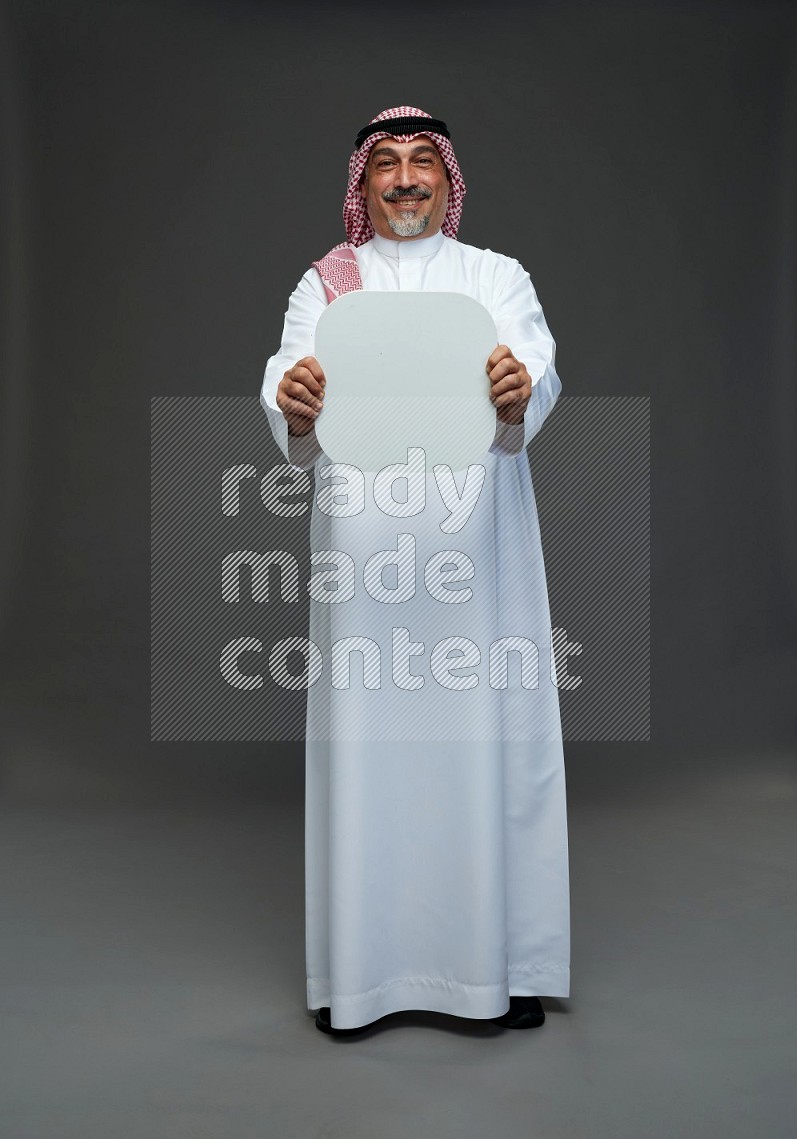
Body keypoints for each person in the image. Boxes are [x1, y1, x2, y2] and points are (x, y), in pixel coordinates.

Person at [260, 106, 570, 1036]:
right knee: (371, 755)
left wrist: (523, 386)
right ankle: (362, 978)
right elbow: (290, 376)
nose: (404, 179)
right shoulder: (329, 283)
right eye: (385, 164)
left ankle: (500, 967)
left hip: (478, 557)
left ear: (449, 179)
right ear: (362, 185)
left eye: (421, 162)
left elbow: (538, 368)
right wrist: (297, 400)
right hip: (367, 568)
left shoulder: (495, 277)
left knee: (490, 746)